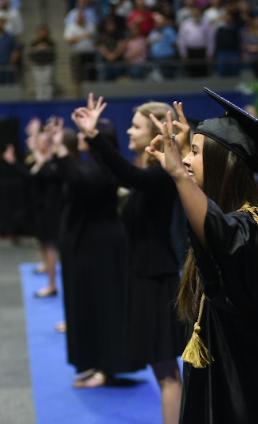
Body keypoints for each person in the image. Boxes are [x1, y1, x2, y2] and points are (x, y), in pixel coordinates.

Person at [72, 93, 187, 424]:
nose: (129, 132)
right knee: (161, 368)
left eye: (135, 127)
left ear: (154, 133)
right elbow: (121, 176)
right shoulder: (149, 172)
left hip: (156, 278)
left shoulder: (164, 172)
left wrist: (94, 137)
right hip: (143, 276)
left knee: (166, 371)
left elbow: (128, 177)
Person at [146, 87, 258, 423]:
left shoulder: (248, 226)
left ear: (224, 162)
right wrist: (184, 156)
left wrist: (179, 174)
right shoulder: (235, 215)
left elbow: (218, 233)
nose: (186, 160)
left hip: (241, 373)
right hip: (221, 364)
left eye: (195, 152)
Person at [54, 119, 131, 388]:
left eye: (85, 132)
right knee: (90, 305)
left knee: (104, 307)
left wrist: (60, 151)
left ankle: (107, 367)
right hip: (91, 244)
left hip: (104, 246)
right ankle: (94, 362)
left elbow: (78, 182)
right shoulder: (93, 163)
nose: (80, 136)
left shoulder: (105, 166)